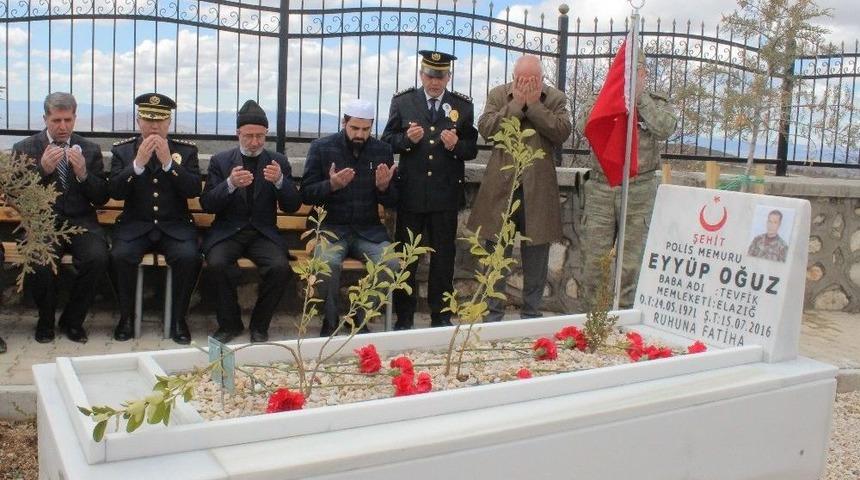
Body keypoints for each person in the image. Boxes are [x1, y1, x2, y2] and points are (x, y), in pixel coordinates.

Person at [468, 55, 571, 321]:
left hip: (538, 189)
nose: (526, 84)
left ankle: (531, 314)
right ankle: (492, 315)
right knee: (496, 252)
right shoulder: (498, 95)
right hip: (501, 188)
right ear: (513, 77)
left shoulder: (556, 99)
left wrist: (534, 105)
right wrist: (516, 104)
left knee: (536, 254)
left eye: (532, 80)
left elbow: (561, 132)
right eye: (520, 80)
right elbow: (487, 129)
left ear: (541, 79)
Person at [381, 50, 478, 330]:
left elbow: (471, 148)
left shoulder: (463, 106)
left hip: (445, 196)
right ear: (421, 74)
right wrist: (406, 140)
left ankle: (441, 316)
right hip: (411, 195)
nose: (435, 82)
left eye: (441, 76)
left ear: (448, 77)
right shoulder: (404, 102)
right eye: (430, 75)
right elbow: (387, 140)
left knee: (443, 260)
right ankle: (404, 317)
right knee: (407, 258)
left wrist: (455, 145)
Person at [576, 53, 677, 308]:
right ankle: (591, 321)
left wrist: (639, 97)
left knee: (632, 265)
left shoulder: (657, 102)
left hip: (639, 190)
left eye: (636, 72)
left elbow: (665, 128)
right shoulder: (602, 97)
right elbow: (583, 125)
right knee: (594, 263)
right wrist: (613, 98)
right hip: (601, 187)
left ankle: (624, 323)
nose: (630, 77)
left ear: (644, 74)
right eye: (624, 71)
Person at [12, 92, 110, 344]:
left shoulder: (89, 148)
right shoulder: (24, 148)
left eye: (68, 119)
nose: (62, 126)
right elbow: (15, 194)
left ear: (75, 118)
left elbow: (101, 197)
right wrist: (41, 170)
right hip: (41, 222)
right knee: (40, 258)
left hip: (81, 221)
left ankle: (72, 321)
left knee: (97, 257)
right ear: (45, 118)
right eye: (56, 120)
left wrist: (83, 174)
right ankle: (45, 321)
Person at [200, 100, 302, 343]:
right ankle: (230, 323)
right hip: (228, 232)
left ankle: (259, 325)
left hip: (262, 233)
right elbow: (208, 204)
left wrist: (280, 182)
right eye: (249, 136)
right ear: (238, 134)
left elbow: (293, 205)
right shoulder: (221, 161)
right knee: (216, 263)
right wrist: (230, 185)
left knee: (280, 268)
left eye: (260, 136)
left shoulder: (278, 162)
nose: (255, 142)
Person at [109, 93, 202, 344]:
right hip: (135, 225)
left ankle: (178, 319)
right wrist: (137, 164)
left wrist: (169, 165)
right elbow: (115, 192)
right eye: (148, 120)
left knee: (188, 257)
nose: (154, 126)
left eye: (160, 120)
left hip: (174, 227)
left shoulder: (185, 151)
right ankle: (126, 318)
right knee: (119, 256)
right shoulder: (123, 150)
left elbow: (194, 189)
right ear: (138, 121)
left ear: (169, 123)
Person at [301, 99, 399, 337]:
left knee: (391, 263)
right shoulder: (322, 147)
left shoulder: (382, 150)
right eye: (355, 128)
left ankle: (358, 318)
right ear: (344, 122)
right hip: (330, 229)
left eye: (365, 130)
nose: (360, 134)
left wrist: (384, 187)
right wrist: (331, 185)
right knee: (328, 264)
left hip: (368, 230)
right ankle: (331, 321)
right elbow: (305, 192)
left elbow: (394, 201)